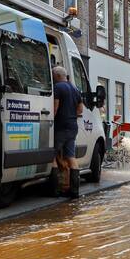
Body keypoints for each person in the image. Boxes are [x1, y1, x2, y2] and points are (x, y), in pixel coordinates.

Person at [52, 66, 84, 198]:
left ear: (57, 76)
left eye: (53, 75)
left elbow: (55, 108)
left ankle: (54, 190)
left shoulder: (58, 87)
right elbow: (80, 109)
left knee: (52, 156)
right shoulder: (75, 89)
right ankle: (74, 191)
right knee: (71, 157)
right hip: (73, 126)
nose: (53, 78)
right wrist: (71, 116)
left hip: (60, 127)